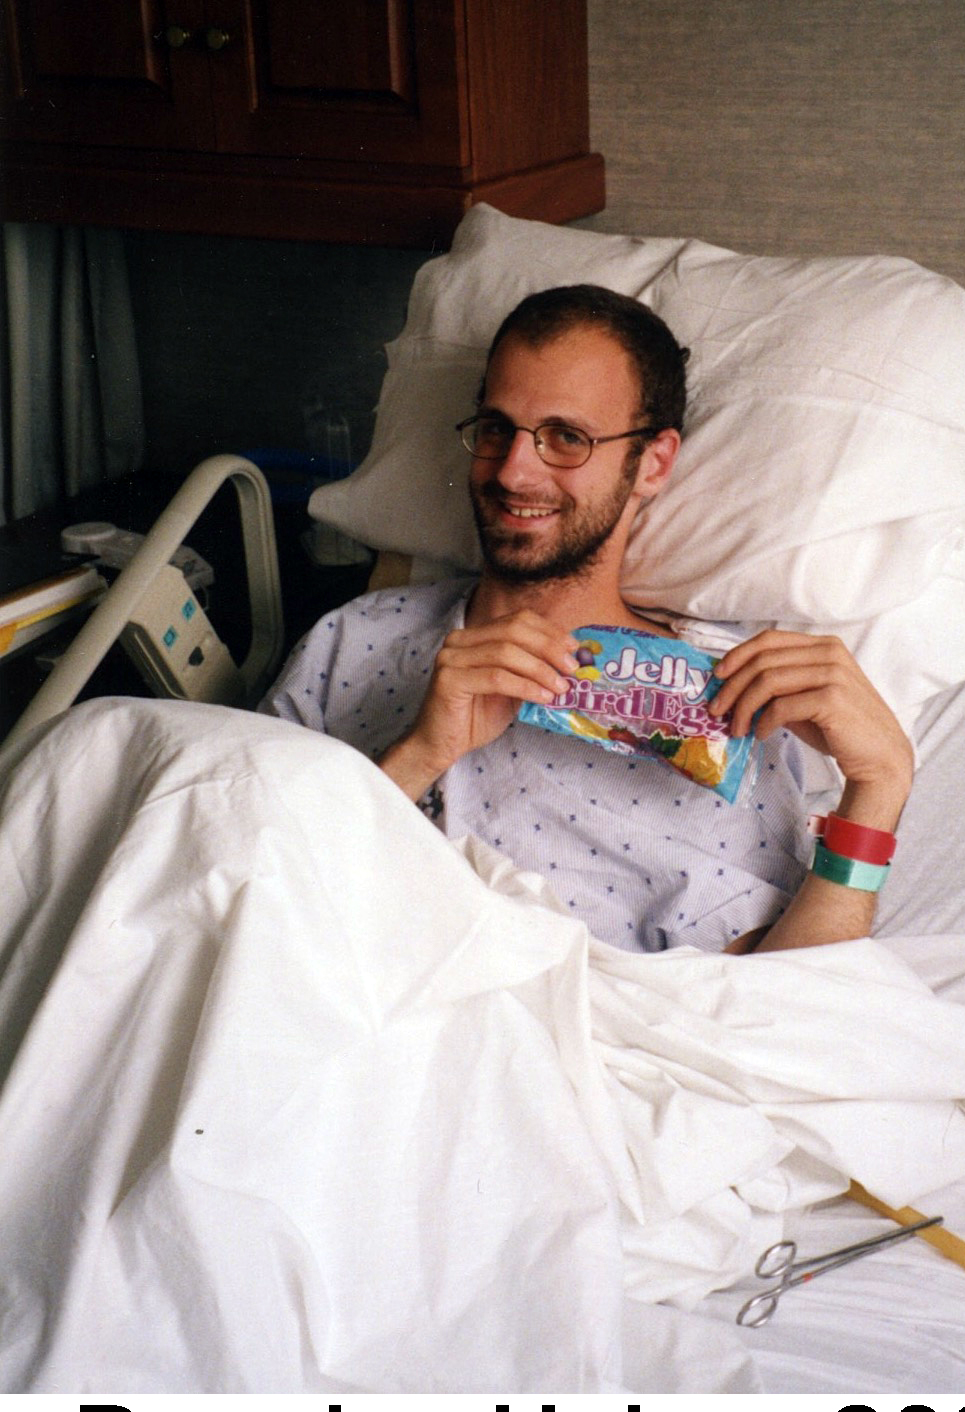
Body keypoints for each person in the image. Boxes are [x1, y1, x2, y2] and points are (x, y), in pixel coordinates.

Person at [261, 285, 913, 953]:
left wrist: (880, 786)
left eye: (566, 438)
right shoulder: (355, 641)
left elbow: (782, 1003)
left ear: (653, 463)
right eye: (497, 430)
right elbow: (239, 883)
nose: (515, 472)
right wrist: (417, 757)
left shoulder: (735, 701)